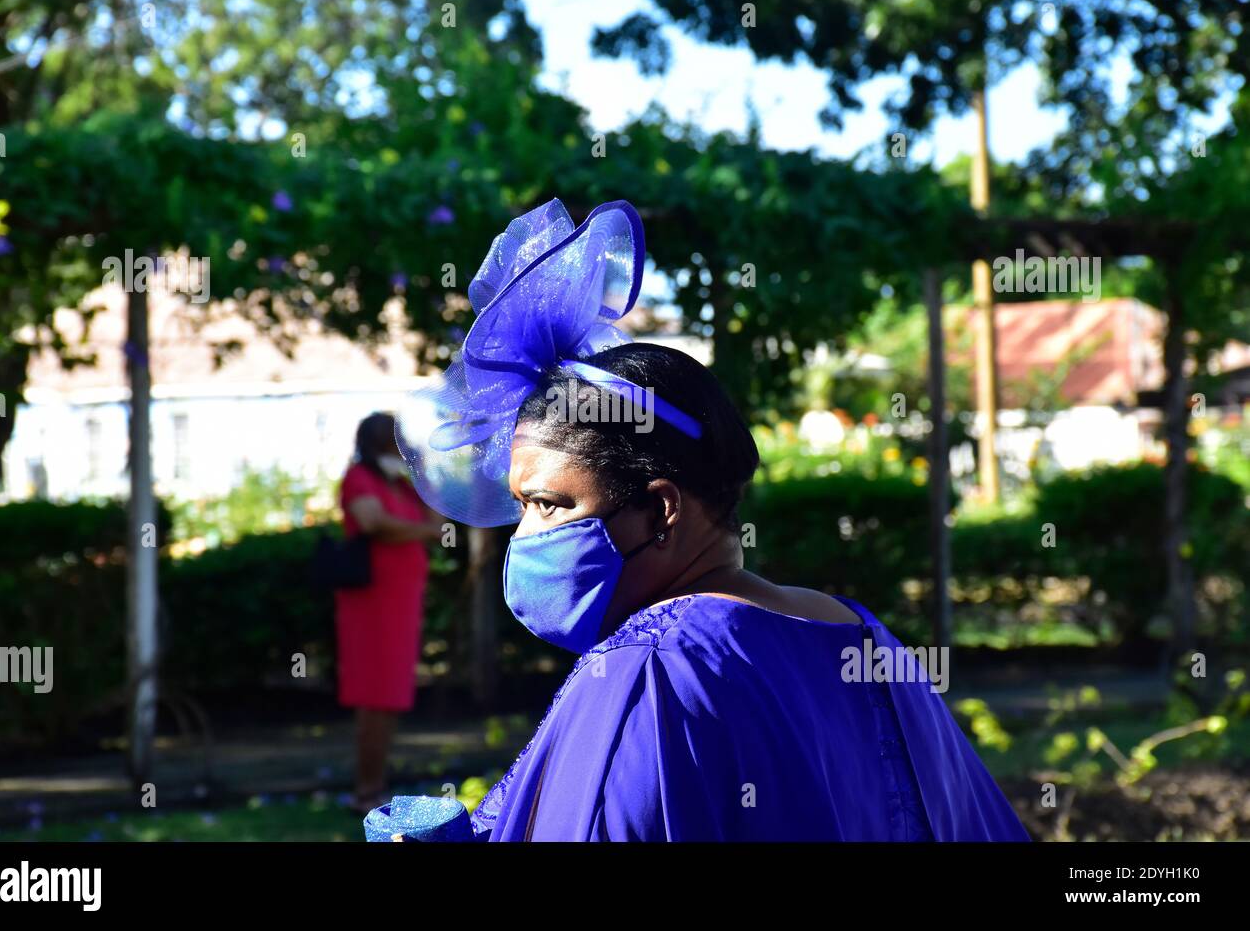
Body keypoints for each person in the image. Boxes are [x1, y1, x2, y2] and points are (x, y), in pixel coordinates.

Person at [394, 198, 1029, 841]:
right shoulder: (863, 635)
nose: (527, 536)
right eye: (522, 506)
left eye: (553, 504)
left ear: (661, 509)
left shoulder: (652, 667)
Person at [335, 412, 445, 814]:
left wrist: (418, 471)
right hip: (370, 604)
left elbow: (439, 519)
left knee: (392, 694)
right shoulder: (358, 479)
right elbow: (371, 522)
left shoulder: (400, 484)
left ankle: (376, 786)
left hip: (402, 602)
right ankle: (365, 791)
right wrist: (422, 532)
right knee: (372, 695)